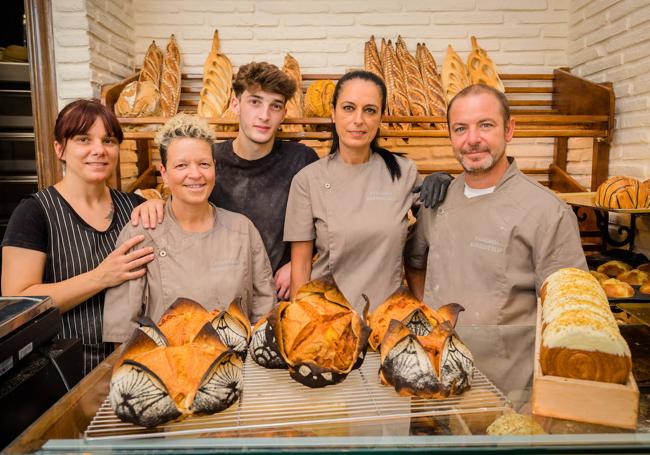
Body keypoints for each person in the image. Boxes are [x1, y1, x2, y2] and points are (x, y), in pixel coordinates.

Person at [404, 84, 587, 396]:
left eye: (485, 125)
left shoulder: (546, 211)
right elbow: (414, 261)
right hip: (433, 380)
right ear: (450, 136)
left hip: (508, 390)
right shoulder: (437, 202)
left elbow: (572, 316)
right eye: (460, 128)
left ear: (509, 130)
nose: (472, 139)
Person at [132, 62, 319, 300]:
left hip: (279, 292)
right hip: (220, 293)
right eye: (254, 102)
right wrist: (157, 203)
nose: (264, 115)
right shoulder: (209, 160)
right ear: (235, 105)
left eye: (275, 106)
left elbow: (325, 225)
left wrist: (298, 263)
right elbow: (184, 207)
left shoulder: (301, 160)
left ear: (284, 114)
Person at [1, 99, 154, 375]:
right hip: (66, 371)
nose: (99, 150)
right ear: (60, 148)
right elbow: (18, 301)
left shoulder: (134, 207)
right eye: (84, 139)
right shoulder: (35, 212)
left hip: (134, 363)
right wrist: (101, 277)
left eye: (108, 140)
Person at [102, 114, 275, 344]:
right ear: (164, 173)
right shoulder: (141, 234)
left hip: (236, 367)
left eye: (204, 164)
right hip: (168, 367)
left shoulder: (242, 230)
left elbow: (264, 310)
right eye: (181, 165)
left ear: (214, 167)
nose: (195, 174)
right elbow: (123, 330)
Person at [284, 70, 426, 312]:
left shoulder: (404, 173)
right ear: (333, 113)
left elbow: (437, 235)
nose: (358, 119)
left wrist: (446, 190)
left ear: (380, 117)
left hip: (386, 319)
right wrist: (300, 322)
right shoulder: (308, 180)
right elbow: (301, 268)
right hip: (327, 319)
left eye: (369, 110)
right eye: (349, 108)